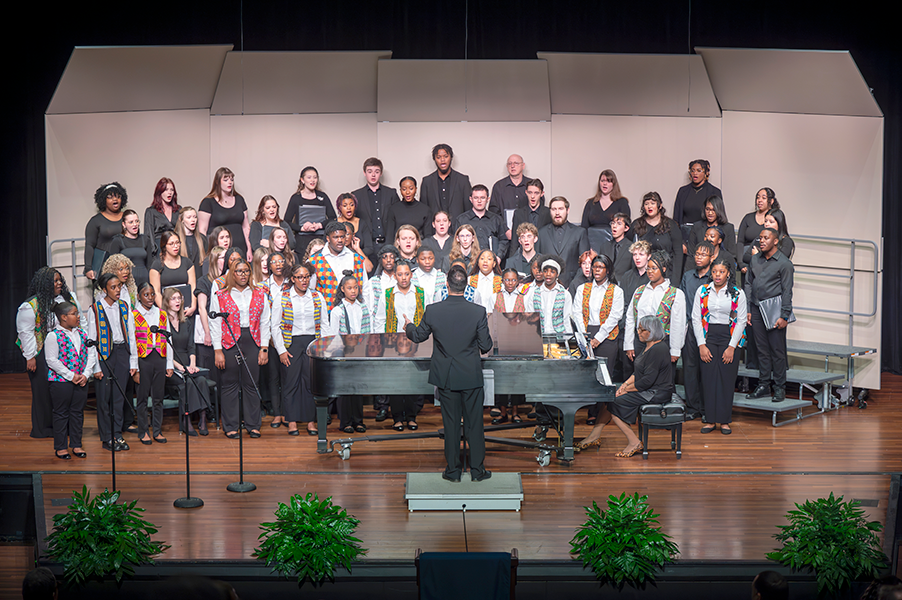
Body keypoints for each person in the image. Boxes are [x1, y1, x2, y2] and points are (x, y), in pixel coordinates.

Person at [405, 264, 493, 482]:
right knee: (475, 424)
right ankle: (477, 471)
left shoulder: (433, 310)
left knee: (451, 425)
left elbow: (417, 336)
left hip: (446, 377)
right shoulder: (478, 311)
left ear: (447, 284)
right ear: (467, 285)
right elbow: (485, 346)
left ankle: (453, 471)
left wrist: (407, 325)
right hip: (470, 376)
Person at [576, 315, 672, 456]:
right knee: (609, 398)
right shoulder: (648, 346)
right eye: (637, 329)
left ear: (651, 331)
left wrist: (625, 390)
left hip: (656, 392)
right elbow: (638, 373)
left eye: (641, 330)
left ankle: (634, 442)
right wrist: (624, 385)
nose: (638, 332)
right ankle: (594, 436)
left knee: (615, 403)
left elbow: (647, 382)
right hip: (648, 388)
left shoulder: (659, 349)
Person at [17, 267, 84, 439]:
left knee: (63, 390)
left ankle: (64, 427)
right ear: (46, 284)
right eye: (55, 281)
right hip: (40, 352)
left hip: (66, 350)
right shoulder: (30, 305)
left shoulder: (69, 299)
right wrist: (30, 357)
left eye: (60, 279)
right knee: (43, 391)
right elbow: (26, 332)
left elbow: (80, 321)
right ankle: (44, 428)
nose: (59, 283)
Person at [210, 259, 270, 438]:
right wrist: (217, 350)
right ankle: (231, 425)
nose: (243, 274)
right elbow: (215, 324)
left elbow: (265, 322)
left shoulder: (260, 293)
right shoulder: (219, 295)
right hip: (229, 342)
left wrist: (264, 348)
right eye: (238, 271)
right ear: (231, 273)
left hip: (252, 340)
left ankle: (253, 424)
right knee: (229, 384)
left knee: (252, 383)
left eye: (246, 271)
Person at [692, 257, 747, 434]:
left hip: (728, 336)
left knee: (726, 379)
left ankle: (724, 421)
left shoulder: (738, 293)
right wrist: (701, 344)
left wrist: (732, 347)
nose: (717, 275)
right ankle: (710, 420)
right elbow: (695, 318)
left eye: (721, 272)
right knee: (708, 379)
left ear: (728, 274)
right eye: (714, 271)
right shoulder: (702, 291)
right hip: (708, 336)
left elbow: (741, 321)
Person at [86, 272, 138, 452]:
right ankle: (106, 436)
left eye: (119, 286)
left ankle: (117, 434)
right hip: (105, 355)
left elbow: (131, 334)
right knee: (104, 398)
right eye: (113, 287)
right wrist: (96, 367)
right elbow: (92, 340)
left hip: (122, 352)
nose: (117, 290)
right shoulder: (95, 309)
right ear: (104, 289)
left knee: (119, 397)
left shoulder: (124, 306)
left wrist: (133, 362)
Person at [271, 262, 325, 436]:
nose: (304, 281)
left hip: (312, 343)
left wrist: (322, 349)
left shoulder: (317, 296)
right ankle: (292, 421)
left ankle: (310, 421)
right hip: (291, 343)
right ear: (293, 279)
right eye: (300, 277)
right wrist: (281, 350)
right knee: (290, 382)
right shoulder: (283, 297)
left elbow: (325, 324)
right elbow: (275, 326)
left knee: (310, 383)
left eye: (307, 277)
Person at [572, 254, 624, 425]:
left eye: (600, 267)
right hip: (586, 332)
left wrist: (598, 338)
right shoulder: (582, 288)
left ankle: (604, 412)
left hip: (607, 336)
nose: (596, 270)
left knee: (605, 375)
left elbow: (615, 316)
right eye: (594, 267)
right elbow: (576, 313)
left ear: (607, 270)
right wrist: (584, 336)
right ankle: (591, 411)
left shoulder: (616, 290)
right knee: (589, 375)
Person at [374, 261, 426, 431]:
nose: (403, 278)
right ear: (395, 275)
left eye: (406, 274)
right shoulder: (388, 294)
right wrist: (380, 341)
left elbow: (427, 317)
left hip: (415, 342)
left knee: (413, 380)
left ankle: (411, 417)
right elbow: (380, 318)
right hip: (392, 342)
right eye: (400, 274)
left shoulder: (420, 293)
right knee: (395, 381)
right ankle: (397, 417)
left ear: (411, 275)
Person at [744, 228, 794, 402]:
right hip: (756, 309)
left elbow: (787, 291)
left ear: (775, 241)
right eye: (760, 238)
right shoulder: (755, 260)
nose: (762, 241)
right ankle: (764, 385)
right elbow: (748, 283)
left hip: (774, 310)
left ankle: (779, 387)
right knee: (761, 350)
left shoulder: (784, 263)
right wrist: (749, 309)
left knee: (777, 351)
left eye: (766, 238)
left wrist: (784, 315)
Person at [623, 251, 686, 377]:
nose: (650, 271)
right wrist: (629, 344)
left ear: (663, 269)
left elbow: (678, 324)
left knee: (661, 380)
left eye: (654, 268)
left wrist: (675, 349)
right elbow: (630, 318)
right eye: (648, 268)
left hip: (662, 344)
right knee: (640, 379)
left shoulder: (675, 294)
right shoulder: (640, 291)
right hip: (640, 342)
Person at [45, 301, 94, 459]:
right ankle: (60, 447)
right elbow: (51, 360)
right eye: (74, 314)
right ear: (64, 317)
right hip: (61, 382)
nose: (78, 316)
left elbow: (91, 354)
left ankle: (76, 444)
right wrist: (71, 375)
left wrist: (86, 374)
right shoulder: (53, 336)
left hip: (81, 380)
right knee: (61, 413)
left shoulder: (83, 334)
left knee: (77, 413)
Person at [327, 271, 372, 433]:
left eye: (355, 288)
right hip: (343, 353)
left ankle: (358, 421)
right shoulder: (337, 311)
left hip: (360, 352)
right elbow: (333, 336)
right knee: (345, 389)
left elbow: (369, 332)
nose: (353, 291)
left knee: (357, 388)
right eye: (349, 288)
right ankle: (345, 421)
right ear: (342, 289)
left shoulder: (363, 308)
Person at [163, 287, 209, 436]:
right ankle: (187, 420)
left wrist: (193, 365)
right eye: (173, 298)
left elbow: (191, 347)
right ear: (166, 301)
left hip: (188, 363)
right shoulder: (163, 322)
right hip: (171, 364)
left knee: (201, 379)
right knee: (188, 383)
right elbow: (165, 350)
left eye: (179, 298)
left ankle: (203, 418)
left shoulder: (186, 321)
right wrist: (180, 367)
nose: (177, 301)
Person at [132, 282, 173, 444]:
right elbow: (132, 341)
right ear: (139, 296)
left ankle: (157, 430)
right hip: (143, 358)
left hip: (159, 358)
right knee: (142, 397)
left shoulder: (162, 314)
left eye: (152, 294)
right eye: (146, 295)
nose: (150, 298)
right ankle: (143, 431)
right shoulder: (133, 315)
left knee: (158, 397)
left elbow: (168, 338)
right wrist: (134, 367)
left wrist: (169, 363)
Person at [679, 240, 715, 420]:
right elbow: (682, 302)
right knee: (690, 369)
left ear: (712, 256)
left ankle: (708, 409)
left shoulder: (715, 277)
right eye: (697, 254)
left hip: (710, 329)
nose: (699, 257)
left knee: (708, 369)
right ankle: (692, 408)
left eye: (703, 254)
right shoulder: (687, 276)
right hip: (690, 327)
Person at [310, 220, 368, 308]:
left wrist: (367, 312)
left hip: (354, 313)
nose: (340, 240)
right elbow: (310, 291)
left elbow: (365, 289)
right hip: (326, 314)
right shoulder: (314, 261)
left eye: (342, 237)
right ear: (328, 238)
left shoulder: (357, 259)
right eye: (336, 237)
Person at [198, 167, 252, 259]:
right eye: (226, 180)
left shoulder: (239, 199)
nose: (230, 182)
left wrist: (249, 248)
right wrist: (205, 251)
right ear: (218, 182)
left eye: (232, 179)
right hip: (219, 251)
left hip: (240, 248)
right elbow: (202, 230)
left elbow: (246, 227)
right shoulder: (208, 202)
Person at [537, 196, 590, 287]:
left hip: (571, 285)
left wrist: (573, 285)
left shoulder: (579, 233)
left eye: (561, 209)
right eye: (554, 209)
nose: (557, 213)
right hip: (546, 286)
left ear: (567, 210)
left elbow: (584, 263)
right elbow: (537, 262)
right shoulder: (541, 233)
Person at [632, 191, 684, 283]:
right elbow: (629, 247)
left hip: (667, 272)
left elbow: (678, 254)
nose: (649, 206)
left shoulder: (671, 225)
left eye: (653, 203)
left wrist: (675, 280)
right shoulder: (637, 224)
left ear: (660, 206)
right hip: (644, 274)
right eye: (646, 204)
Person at [351, 158, 400, 253]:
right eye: (370, 171)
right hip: (366, 245)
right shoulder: (356, 195)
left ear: (381, 173)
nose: (373, 175)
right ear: (365, 173)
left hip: (388, 243)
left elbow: (397, 218)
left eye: (376, 171)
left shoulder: (391, 193)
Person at [84, 182, 128, 280]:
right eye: (110, 197)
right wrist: (88, 268)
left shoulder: (127, 217)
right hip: (103, 266)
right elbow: (89, 245)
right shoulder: (95, 221)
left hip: (124, 265)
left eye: (118, 196)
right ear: (103, 200)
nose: (115, 199)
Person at [672, 159, 723, 243]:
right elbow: (676, 218)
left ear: (706, 173)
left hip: (705, 235)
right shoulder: (683, 191)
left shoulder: (714, 191)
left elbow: (719, 217)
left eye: (699, 171)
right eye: (692, 171)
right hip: (685, 236)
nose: (695, 173)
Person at [420, 143, 472, 225]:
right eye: (438, 157)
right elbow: (423, 211)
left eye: (445, 156)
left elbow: (468, 209)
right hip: (435, 231)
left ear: (451, 158)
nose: (442, 160)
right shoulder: (427, 181)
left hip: (458, 229)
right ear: (434, 159)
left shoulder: (463, 180)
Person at [150, 231, 197, 317]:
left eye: (177, 243)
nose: (175, 246)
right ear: (165, 246)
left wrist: (193, 306)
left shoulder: (187, 262)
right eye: (171, 244)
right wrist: (165, 311)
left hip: (186, 309)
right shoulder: (157, 265)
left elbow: (193, 286)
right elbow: (156, 291)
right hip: (167, 311)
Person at [456, 184, 509, 259]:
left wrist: (498, 257)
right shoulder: (461, 220)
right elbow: (456, 243)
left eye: (483, 198)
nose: (479, 201)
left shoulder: (496, 219)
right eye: (476, 198)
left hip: (491, 262)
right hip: (468, 262)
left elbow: (503, 241)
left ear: (488, 199)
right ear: (471, 199)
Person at [738, 187, 780, 274]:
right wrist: (740, 263)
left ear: (771, 201)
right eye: (758, 197)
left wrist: (757, 257)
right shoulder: (748, 217)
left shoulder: (775, 219)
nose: (759, 200)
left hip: (764, 262)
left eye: (763, 198)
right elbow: (740, 242)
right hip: (746, 259)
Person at [108, 209, 155, 286]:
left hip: (145, 279)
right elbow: (113, 266)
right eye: (131, 222)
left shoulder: (145, 239)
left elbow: (150, 263)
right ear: (124, 224)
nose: (135, 224)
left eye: (137, 221)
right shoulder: (118, 241)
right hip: (126, 281)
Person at [509, 178, 552, 257]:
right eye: (530, 192)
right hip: (523, 256)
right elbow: (514, 241)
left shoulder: (548, 213)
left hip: (543, 255)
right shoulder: (519, 213)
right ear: (526, 192)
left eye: (536, 193)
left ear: (542, 194)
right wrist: (512, 262)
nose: (533, 196)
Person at [532, 257, 573, 335]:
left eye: (552, 272)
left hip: (559, 337)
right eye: (545, 271)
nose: (548, 274)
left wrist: (569, 338)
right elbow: (530, 318)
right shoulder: (534, 293)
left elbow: (567, 319)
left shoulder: (565, 294)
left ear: (557, 274)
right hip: (539, 337)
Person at [334, 192, 375, 265]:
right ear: (339, 207)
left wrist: (354, 254)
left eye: (351, 205)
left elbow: (369, 248)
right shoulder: (334, 224)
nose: (349, 208)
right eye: (345, 205)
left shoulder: (362, 223)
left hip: (358, 260)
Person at [386, 176, 431, 240]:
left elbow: (428, 237)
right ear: (400, 190)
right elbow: (389, 237)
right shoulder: (393, 209)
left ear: (416, 189)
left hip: (419, 247)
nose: (407, 192)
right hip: (398, 248)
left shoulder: (425, 210)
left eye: (411, 188)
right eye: (404, 189)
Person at [144, 177, 180, 256]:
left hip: (175, 247)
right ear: (159, 192)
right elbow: (148, 234)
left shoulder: (178, 210)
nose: (169, 192)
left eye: (172, 190)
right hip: (159, 248)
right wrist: (153, 252)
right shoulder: (151, 211)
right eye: (166, 190)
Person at [600, 212, 634, 281]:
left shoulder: (632, 247)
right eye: (613, 223)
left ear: (626, 228)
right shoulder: (605, 246)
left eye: (619, 223)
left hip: (624, 284)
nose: (614, 226)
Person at [176, 206, 208, 275]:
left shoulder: (202, 239)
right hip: (183, 278)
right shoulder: (176, 239)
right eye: (189, 217)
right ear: (181, 220)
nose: (193, 220)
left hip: (199, 278)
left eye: (195, 217)